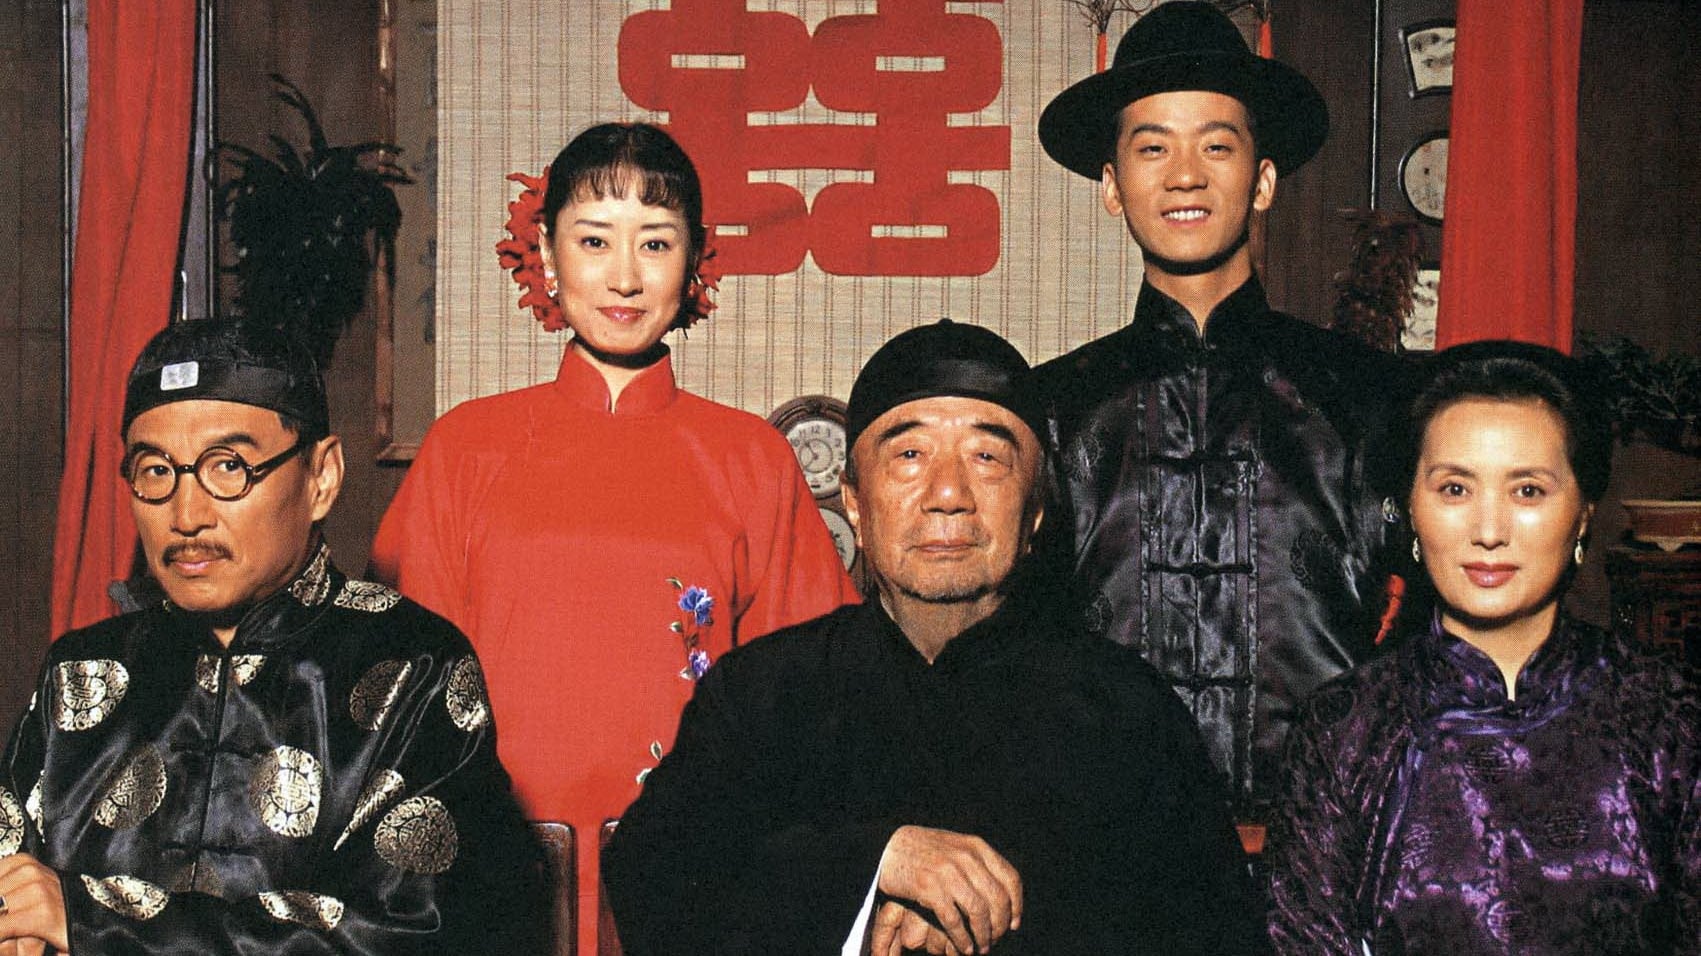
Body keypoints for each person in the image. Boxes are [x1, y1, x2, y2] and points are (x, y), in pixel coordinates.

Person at [602, 320, 1265, 955]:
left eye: (986, 457)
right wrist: (876, 865)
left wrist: (992, 931)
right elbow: (654, 877)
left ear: (1035, 512)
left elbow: (1208, 932)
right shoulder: (762, 692)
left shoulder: (1124, 710)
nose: (948, 493)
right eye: (909, 455)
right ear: (854, 504)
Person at [370, 121, 858, 953]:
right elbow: (407, 698)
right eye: (594, 241)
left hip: (695, 871)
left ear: (694, 262)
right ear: (546, 254)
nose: (625, 276)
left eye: (655, 243)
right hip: (496, 874)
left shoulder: (750, 457)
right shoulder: (466, 448)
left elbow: (809, 695)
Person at [0, 318, 545, 954]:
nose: (186, 515)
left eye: (229, 466)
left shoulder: (414, 667)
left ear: (321, 477)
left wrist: (89, 924)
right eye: (154, 471)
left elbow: (402, 932)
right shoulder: (82, 670)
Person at [1032, 0, 1408, 822]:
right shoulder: (1051, 410)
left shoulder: (1366, 397)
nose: (1184, 175)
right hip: (1106, 847)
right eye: (1151, 148)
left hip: (1326, 844)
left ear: (1262, 180)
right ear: (1111, 186)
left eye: (1215, 145)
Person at [1266, 341, 1701, 952]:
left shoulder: (1669, 719)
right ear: (1410, 508)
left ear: (1583, 514)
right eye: (1454, 489)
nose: (1489, 531)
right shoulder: (1345, 730)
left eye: (1528, 491)